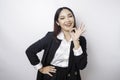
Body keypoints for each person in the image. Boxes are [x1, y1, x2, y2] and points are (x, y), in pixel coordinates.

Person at [26, 7, 87, 80]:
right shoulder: (50, 37)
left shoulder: (81, 40)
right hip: (52, 76)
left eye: (70, 16)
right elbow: (30, 51)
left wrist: (76, 41)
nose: (67, 20)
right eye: (62, 18)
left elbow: (82, 66)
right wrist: (41, 68)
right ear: (57, 22)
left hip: (72, 76)